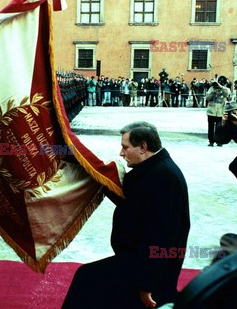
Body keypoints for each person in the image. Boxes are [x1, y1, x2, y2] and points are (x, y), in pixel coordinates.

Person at [63, 121, 190, 309]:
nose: (121, 153)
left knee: (86, 279)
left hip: (148, 268)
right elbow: (131, 201)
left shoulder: (165, 178)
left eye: (125, 147)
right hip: (136, 259)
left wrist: (147, 284)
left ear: (143, 147)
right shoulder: (150, 169)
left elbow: (161, 238)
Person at [205, 76, 230, 147]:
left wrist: (221, 87)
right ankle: (211, 141)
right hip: (211, 111)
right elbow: (207, 98)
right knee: (211, 127)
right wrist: (213, 92)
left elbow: (227, 93)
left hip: (220, 111)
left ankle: (219, 141)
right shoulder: (212, 88)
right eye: (219, 82)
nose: (219, 83)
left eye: (221, 82)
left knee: (220, 128)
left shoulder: (225, 89)